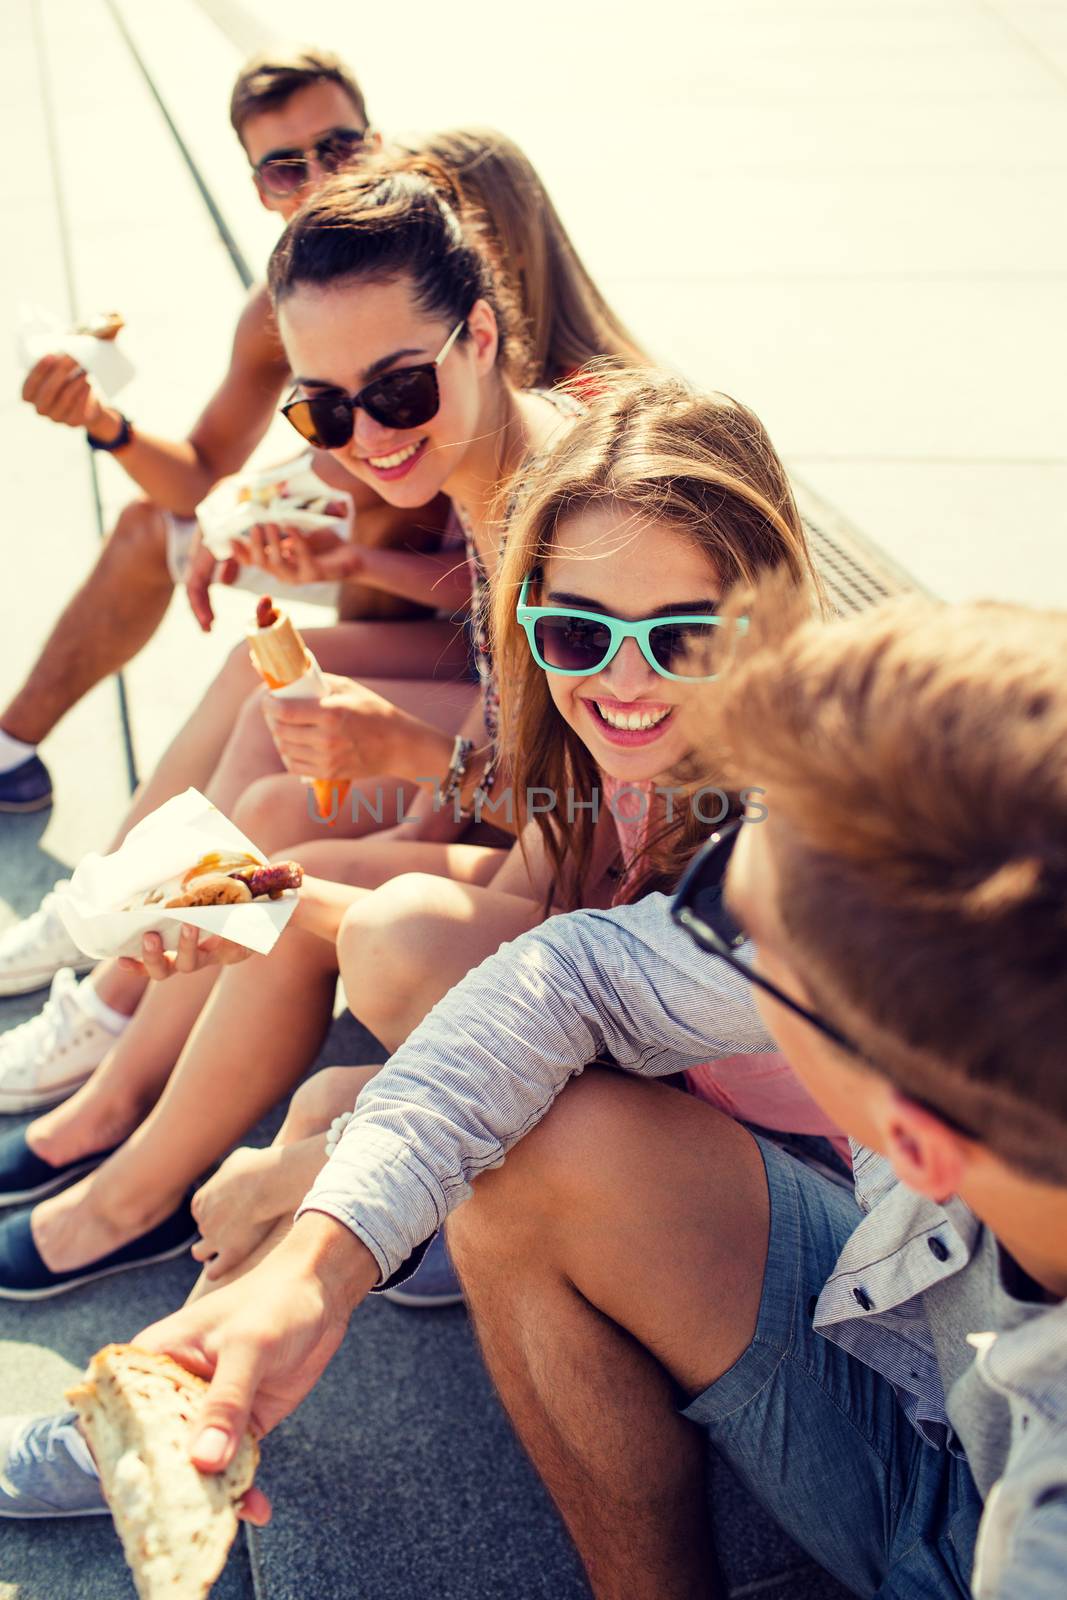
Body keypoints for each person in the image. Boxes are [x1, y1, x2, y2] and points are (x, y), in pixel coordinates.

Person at [16, 586, 1053, 1598]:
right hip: (928, 1358)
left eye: (733, 923)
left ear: (911, 1142)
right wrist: (322, 1258)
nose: (691, 931)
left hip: (951, 1523)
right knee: (526, 1115)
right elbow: (574, 973)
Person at [0, 372, 840, 1307]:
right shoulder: (631, 738)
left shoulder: (771, 826)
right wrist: (241, 900)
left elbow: (567, 1007)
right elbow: (543, 901)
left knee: (359, 1002)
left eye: (683, 640)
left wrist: (333, 1151)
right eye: (573, 633)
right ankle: (170, 1319)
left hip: (790, 1183)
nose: (625, 675)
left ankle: (199, 1308)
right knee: (314, 909)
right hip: (644, 1065)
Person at [2, 45, 453, 817]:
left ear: (376, 144)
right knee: (155, 526)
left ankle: (366, 770)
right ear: (260, 189)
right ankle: (10, 751)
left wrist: (286, 491)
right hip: (363, 559)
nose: (321, 177)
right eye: (286, 167)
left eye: (339, 148)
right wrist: (101, 421)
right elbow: (204, 472)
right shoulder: (274, 307)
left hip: (463, 589)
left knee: (365, 492)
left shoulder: (444, 260)